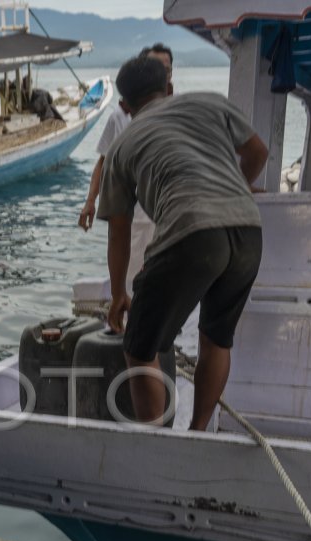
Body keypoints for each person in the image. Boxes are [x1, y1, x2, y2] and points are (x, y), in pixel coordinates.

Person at [96, 55, 268, 429]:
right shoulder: (211, 102)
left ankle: (158, 444)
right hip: (248, 230)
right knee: (216, 339)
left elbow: (118, 230)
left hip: (190, 233)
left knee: (140, 348)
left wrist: (118, 293)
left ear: (124, 106)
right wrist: (240, 185)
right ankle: (198, 432)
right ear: (169, 89)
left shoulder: (122, 146)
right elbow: (258, 152)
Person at [78, 44, 174, 233]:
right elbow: (104, 162)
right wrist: (90, 202)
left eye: (167, 70)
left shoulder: (180, 110)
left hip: (174, 216)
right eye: (155, 68)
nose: (161, 74)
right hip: (137, 219)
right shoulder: (120, 116)